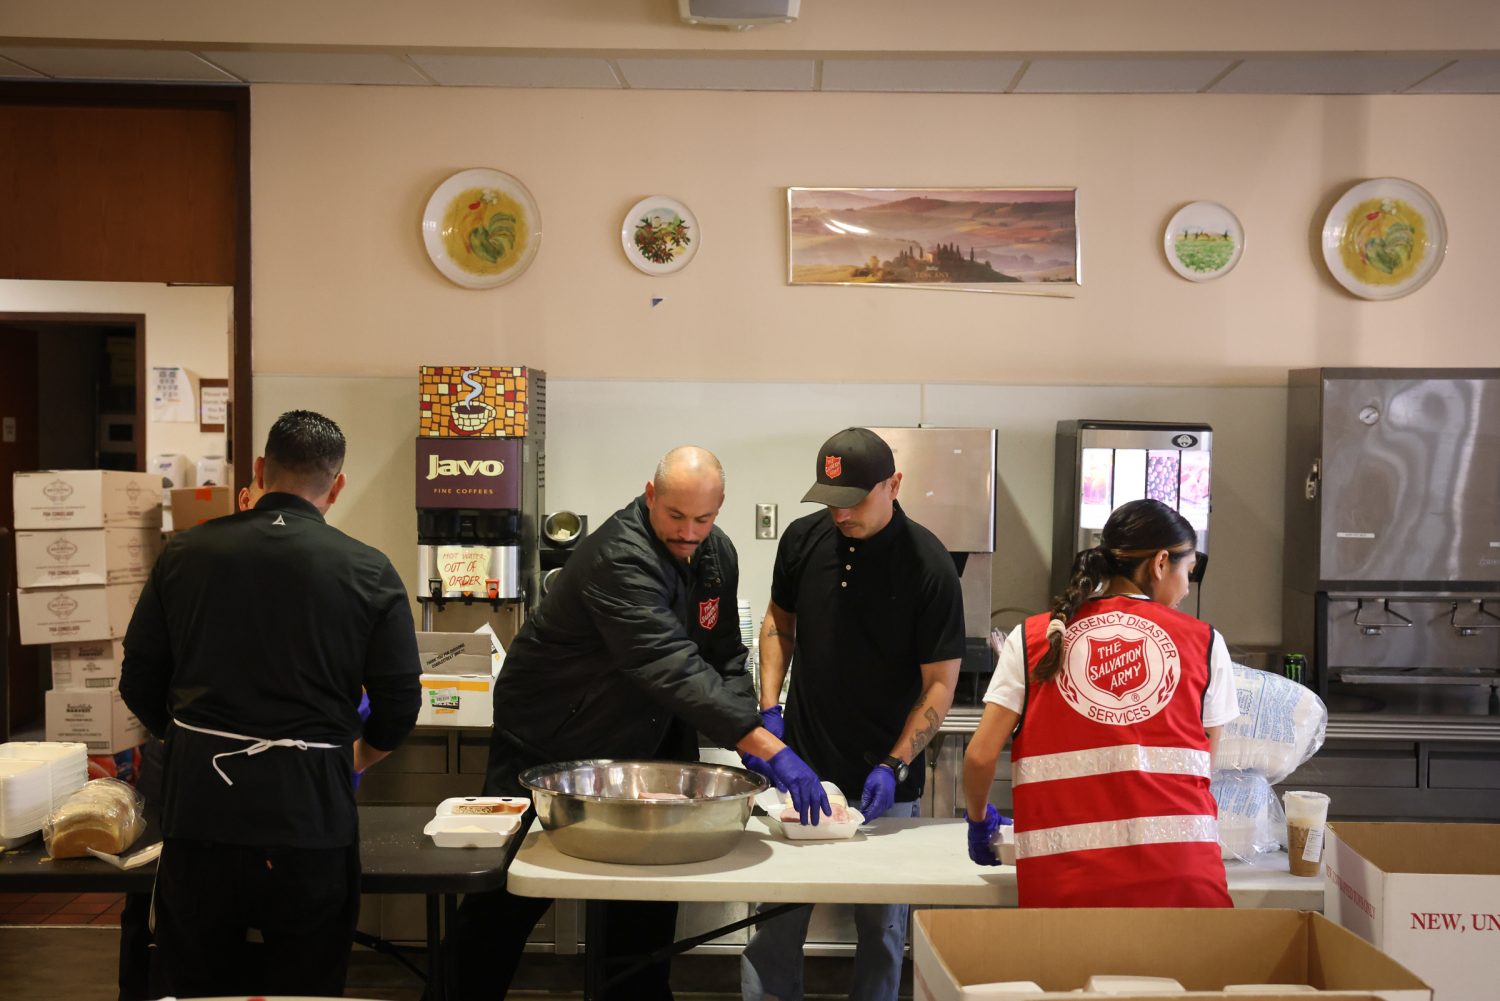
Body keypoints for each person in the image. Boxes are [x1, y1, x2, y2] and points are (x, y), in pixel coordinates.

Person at [445, 445, 828, 1001]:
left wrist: (748, 726)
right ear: (651, 496)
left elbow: (721, 653)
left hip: (647, 739)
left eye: (703, 518)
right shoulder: (618, 556)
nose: (689, 532)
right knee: (507, 900)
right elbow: (667, 663)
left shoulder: (715, 552)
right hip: (552, 737)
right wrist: (767, 745)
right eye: (675, 516)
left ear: (720, 508)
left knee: (644, 897)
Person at [120, 410, 422, 996]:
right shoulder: (368, 569)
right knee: (304, 984)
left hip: (202, 810)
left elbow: (138, 680)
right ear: (337, 486)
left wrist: (189, 740)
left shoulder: (185, 554)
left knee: (198, 984)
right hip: (310, 814)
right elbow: (400, 703)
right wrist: (355, 758)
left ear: (259, 470)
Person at [741, 427, 965, 1001]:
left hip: (887, 777)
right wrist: (770, 709)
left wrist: (894, 764)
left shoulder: (929, 565)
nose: (840, 515)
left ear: (894, 484)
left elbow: (939, 684)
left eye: (854, 501)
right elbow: (778, 625)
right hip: (802, 769)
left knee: (884, 931)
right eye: (830, 502)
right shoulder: (802, 540)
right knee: (773, 924)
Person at [962, 497, 1239, 907]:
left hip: (1066, 882)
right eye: (1189, 571)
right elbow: (1205, 766)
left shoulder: (1032, 638)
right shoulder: (1205, 642)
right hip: (1181, 880)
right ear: (1162, 562)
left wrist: (979, 819)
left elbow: (980, 757)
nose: (1185, 588)